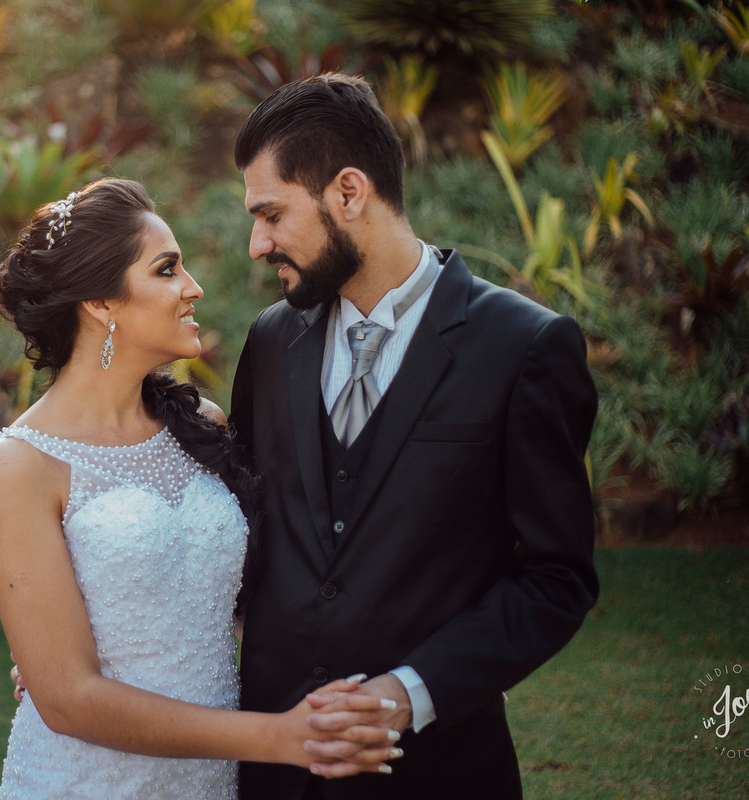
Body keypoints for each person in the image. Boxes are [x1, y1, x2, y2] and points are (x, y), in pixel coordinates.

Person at [227, 73, 600, 799]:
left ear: (348, 193)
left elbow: (557, 579)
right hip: (275, 775)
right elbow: (241, 530)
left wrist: (410, 693)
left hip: (440, 775)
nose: (255, 243)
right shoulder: (270, 343)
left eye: (271, 214)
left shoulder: (524, 347)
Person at [0, 177, 401, 800]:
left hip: (209, 781)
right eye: (167, 269)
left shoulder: (203, 425)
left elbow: (263, 595)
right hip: (87, 780)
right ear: (101, 302)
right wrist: (276, 738)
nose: (193, 287)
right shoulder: (19, 465)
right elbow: (67, 699)